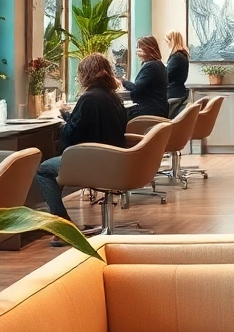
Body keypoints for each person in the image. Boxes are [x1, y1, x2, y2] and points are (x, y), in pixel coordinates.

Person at [34, 53, 128, 227]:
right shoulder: (114, 98)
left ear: (85, 75)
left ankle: (62, 224)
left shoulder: (89, 98)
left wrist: (64, 117)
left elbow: (72, 134)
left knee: (44, 170)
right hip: (116, 160)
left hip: (94, 161)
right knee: (56, 168)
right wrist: (70, 115)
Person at [122, 35, 169, 119]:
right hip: (159, 110)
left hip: (149, 112)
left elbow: (135, 89)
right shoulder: (159, 65)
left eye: (138, 48)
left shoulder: (151, 67)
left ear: (146, 49)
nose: (137, 52)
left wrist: (122, 81)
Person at [164, 30, 190, 109]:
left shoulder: (176, 57)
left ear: (171, 41)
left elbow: (166, 75)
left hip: (173, 93)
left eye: (167, 42)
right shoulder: (183, 55)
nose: (167, 44)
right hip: (179, 91)